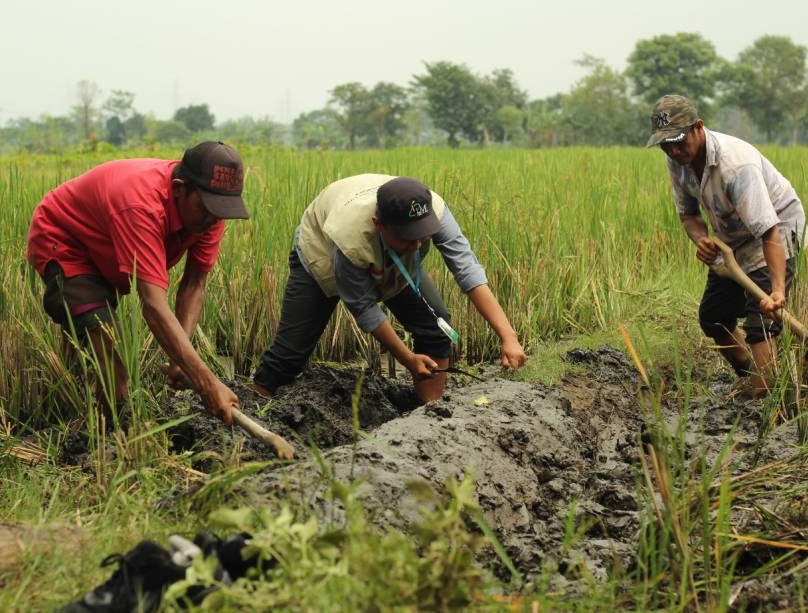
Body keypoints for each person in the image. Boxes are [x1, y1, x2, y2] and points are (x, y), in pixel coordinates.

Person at [26, 141, 248, 424]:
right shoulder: (141, 204)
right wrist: (206, 383)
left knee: (93, 340)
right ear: (180, 188)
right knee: (114, 362)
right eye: (207, 207)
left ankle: (78, 396)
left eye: (221, 210)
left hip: (108, 245)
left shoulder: (210, 216)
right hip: (67, 242)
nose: (214, 219)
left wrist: (181, 360)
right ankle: (107, 443)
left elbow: (194, 284)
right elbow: (153, 305)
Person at [253, 174, 526, 402]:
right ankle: (257, 409)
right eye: (409, 237)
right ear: (379, 225)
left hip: (387, 253)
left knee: (435, 325)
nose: (418, 246)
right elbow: (364, 307)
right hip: (321, 252)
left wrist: (508, 335)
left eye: (423, 235)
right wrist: (407, 358)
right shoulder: (350, 237)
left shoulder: (433, 210)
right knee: (288, 355)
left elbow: (466, 269)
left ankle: (431, 413)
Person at [647, 95, 806, 397]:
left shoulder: (736, 166)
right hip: (732, 241)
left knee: (761, 320)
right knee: (714, 317)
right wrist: (702, 240)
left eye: (679, 141)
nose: (674, 150)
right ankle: (754, 376)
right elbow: (689, 214)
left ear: (698, 127)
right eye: (665, 144)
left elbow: (769, 230)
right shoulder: (676, 160)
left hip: (775, 234)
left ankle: (765, 400)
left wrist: (777, 290)